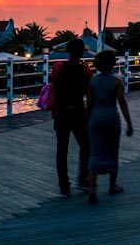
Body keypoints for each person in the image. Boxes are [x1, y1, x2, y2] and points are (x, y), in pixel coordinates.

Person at [87, 50, 133, 204]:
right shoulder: (116, 81)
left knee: (94, 153)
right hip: (111, 118)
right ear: (113, 64)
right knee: (113, 152)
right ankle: (112, 186)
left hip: (95, 117)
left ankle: (92, 189)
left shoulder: (92, 81)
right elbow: (122, 102)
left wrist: (89, 120)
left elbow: (90, 103)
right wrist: (129, 123)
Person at [52, 38, 91, 198]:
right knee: (86, 146)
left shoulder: (57, 67)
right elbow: (88, 94)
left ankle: (64, 186)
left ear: (68, 50)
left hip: (61, 112)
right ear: (82, 52)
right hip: (78, 112)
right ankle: (82, 180)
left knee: (62, 150)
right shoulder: (86, 71)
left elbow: (54, 87)